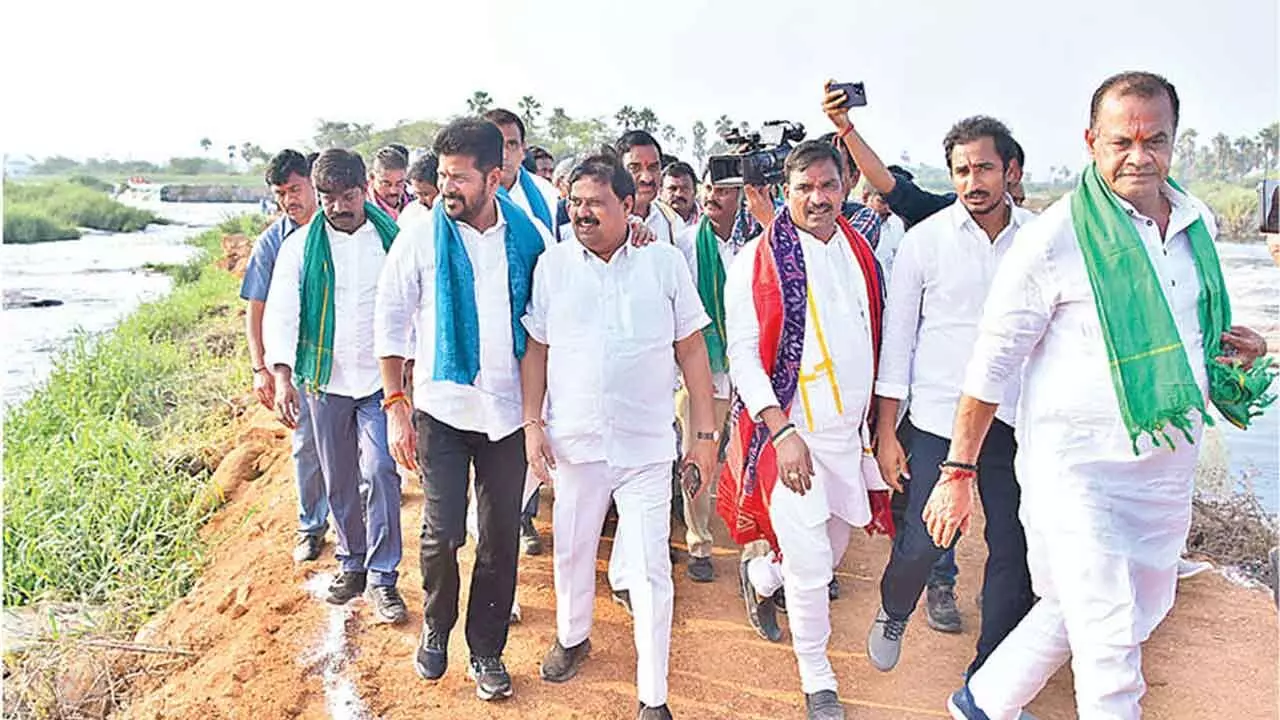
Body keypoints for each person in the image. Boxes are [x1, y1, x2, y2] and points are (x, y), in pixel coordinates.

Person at [933, 71, 1274, 719]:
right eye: (1122, 140)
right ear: (1091, 140)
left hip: (1162, 476)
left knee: (1085, 609)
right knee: (1110, 638)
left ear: (1175, 142)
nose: (1139, 156)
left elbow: (1186, 331)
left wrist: (1238, 349)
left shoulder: (1195, 224)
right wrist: (957, 469)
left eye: (1155, 140)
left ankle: (980, 704)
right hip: (1077, 474)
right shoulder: (1053, 239)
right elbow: (992, 361)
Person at [523, 153, 717, 720]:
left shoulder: (664, 265)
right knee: (573, 550)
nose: (582, 213)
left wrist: (704, 435)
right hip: (576, 444)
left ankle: (652, 696)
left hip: (646, 448)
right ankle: (572, 634)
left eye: (596, 203)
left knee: (652, 568)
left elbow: (692, 349)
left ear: (628, 205)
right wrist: (533, 423)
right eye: (575, 202)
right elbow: (537, 348)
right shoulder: (553, 266)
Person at [373, 118, 552, 702]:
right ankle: (436, 623)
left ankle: (486, 650)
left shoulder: (530, 239)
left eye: (458, 177)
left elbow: (556, 310)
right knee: (444, 532)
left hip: (506, 417)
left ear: (494, 178)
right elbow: (391, 323)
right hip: (441, 410)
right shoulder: (421, 235)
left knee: (499, 539)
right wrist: (397, 407)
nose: (445, 186)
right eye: (442, 175)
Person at [719, 140, 894, 720]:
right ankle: (817, 676)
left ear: (844, 186)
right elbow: (743, 357)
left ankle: (762, 576)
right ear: (783, 192)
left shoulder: (861, 251)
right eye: (805, 188)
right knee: (815, 563)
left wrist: (882, 428)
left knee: (834, 546)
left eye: (828, 186)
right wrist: (781, 429)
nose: (818, 199)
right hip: (791, 432)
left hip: (852, 436)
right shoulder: (756, 259)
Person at [866, 116, 1036, 677]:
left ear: (1010, 171)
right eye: (962, 170)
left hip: (1017, 418)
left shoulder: (1041, 241)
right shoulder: (925, 242)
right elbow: (898, 342)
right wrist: (887, 431)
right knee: (921, 541)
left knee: (1013, 547)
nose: (972, 181)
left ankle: (988, 676)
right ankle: (894, 609)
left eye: (985, 167)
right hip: (939, 418)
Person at [263, 148, 407, 623]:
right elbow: (285, 311)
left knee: (381, 470)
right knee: (340, 479)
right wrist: (282, 375)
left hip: (378, 380)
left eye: (349, 196)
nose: (340, 207)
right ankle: (352, 564)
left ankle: (385, 577)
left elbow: (413, 307)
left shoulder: (394, 241)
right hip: (324, 383)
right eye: (329, 198)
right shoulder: (299, 247)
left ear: (364, 189)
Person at [240, 149, 328, 564]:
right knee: (306, 444)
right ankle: (311, 527)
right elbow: (255, 308)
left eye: (295, 189)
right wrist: (263, 370)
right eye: (280, 194)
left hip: (348, 358)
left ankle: (358, 532)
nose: (288, 200)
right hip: (298, 364)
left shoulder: (344, 227)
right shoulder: (272, 242)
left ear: (313, 183)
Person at [670, 174, 757, 584]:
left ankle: (758, 548)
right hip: (705, 372)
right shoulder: (685, 244)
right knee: (697, 458)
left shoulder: (762, 243)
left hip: (754, 373)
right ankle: (699, 543)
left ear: (744, 195)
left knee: (754, 462)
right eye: (709, 187)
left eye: (724, 190)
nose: (711, 196)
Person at [484, 109, 561, 237]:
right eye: (496, 145)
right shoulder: (465, 195)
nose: (504, 155)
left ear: (523, 149)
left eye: (512, 144)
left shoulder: (547, 193)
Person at [368, 145, 414, 220]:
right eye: (386, 184)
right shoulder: (362, 212)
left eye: (399, 183)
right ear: (372, 178)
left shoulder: (416, 205)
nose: (393, 191)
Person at [398, 152, 439, 230]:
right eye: (417, 194)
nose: (421, 201)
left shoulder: (460, 217)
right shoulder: (410, 213)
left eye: (425, 194)